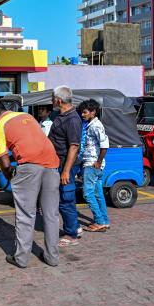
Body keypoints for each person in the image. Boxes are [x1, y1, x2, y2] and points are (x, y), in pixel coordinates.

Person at [0, 99, 60, 268]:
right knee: (51, 214)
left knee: (26, 214)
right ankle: (52, 257)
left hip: (29, 167)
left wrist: (9, 173)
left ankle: (21, 258)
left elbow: (3, 157)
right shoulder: (27, 116)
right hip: (52, 164)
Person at [48, 86, 83, 247]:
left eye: (52, 97)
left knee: (65, 199)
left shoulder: (73, 119)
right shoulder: (60, 115)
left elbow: (74, 146)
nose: (51, 100)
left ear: (59, 100)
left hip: (65, 166)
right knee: (63, 199)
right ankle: (75, 226)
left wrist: (66, 171)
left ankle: (71, 234)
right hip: (58, 164)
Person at [77, 99, 110, 232]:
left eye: (85, 112)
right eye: (82, 112)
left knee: (87, 193)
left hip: (92, 164)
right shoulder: (89, 125)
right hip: (93, 164)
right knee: (97, 194)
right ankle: (105, 221)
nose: (82, 115)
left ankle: (100, 221)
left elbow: (104, 145)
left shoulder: (96, 126)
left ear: (93, 112)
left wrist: (98, 161)